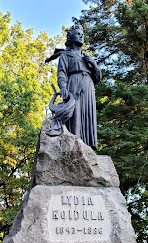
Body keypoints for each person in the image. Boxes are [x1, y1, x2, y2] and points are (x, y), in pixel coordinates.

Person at [46, 21, 102, 149]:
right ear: (71, 37)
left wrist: (93, 64)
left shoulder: (87, 58)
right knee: (75, 114)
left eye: (82, 34)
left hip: (88, 88)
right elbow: (61, 73)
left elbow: (98, 78)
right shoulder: (65, 55)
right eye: (78, 34)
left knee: (88, 115)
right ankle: (74, 143)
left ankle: (88, 146)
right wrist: (63, 87)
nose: (81, 36)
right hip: (74, 85)